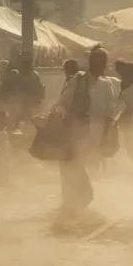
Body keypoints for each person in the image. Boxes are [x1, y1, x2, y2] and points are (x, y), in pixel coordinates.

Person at [53, 46, 118, 215]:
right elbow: (63, 103)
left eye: (100, 61)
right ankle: (71, 202)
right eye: (96, 61)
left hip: (87, 132)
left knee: (70, 164)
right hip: (80, 130)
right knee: (71, 164)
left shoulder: (103, 84)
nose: (98, 64)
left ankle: (84, 196)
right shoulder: (81, 80)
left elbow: (110, 114)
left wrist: (108, 135)